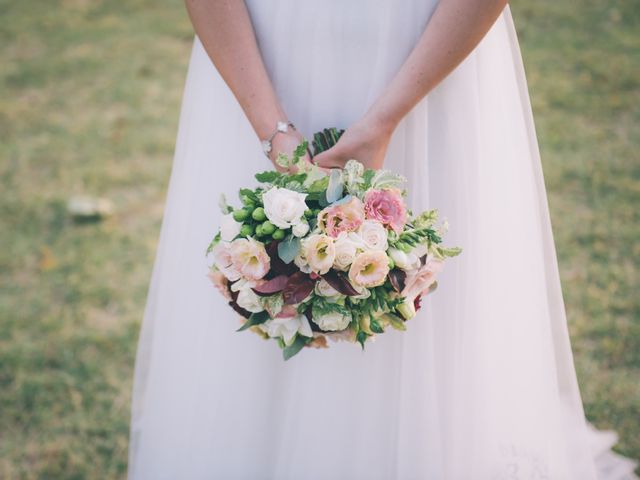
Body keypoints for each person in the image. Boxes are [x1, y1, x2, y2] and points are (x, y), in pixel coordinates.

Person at [128, 0, 638, 478]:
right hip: (266, 59)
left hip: (424, 56)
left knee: (423, 303)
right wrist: (273, 131)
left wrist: (385, 119)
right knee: (269, 269)